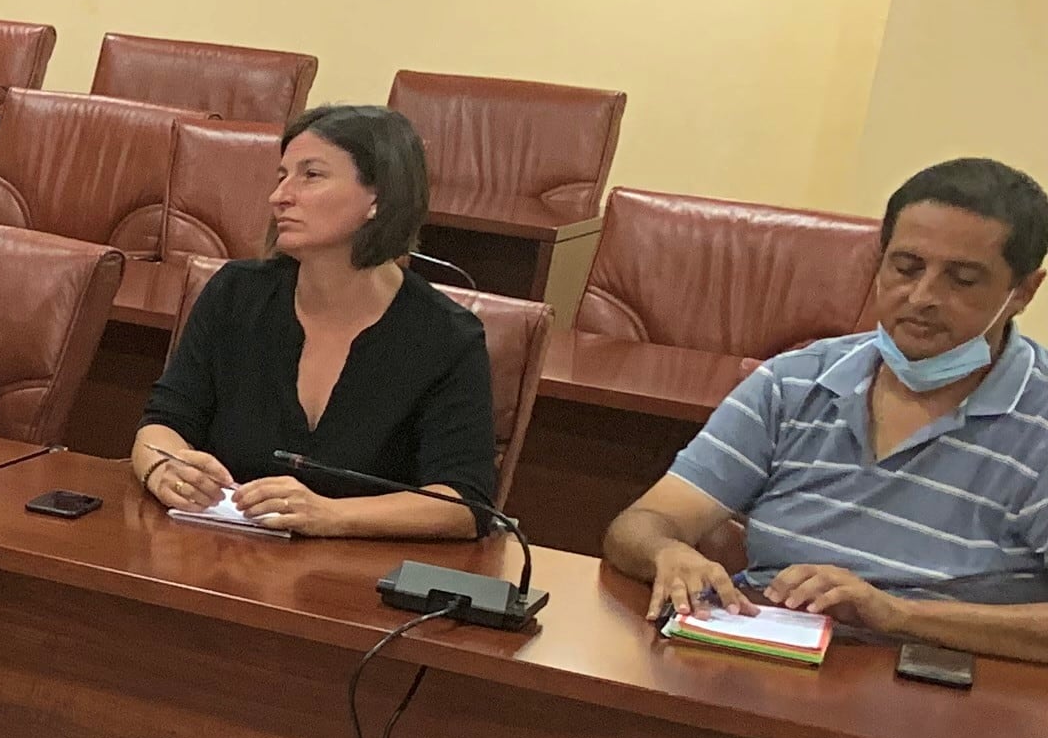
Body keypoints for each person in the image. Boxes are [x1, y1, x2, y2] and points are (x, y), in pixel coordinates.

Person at [604, 156, 1048, 660]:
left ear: (1023, 292)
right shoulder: (795, 381)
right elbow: (641, 523)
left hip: (941, 686)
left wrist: (897, 614)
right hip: (763, 658)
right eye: (905, 267)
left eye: (962, 280)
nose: (922, 296)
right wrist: (668, 551)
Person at [129, 105, 496, 537]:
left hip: (355, 583)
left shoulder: (446, 337)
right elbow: (162, 423)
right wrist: (163, 467)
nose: (280, 195)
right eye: (282, 175)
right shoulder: (235, 295)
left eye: (311, 175)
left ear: (378, 198)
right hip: (221, 558)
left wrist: (330, 516)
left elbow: (464, 503)